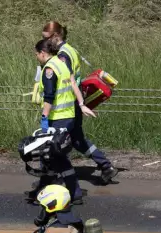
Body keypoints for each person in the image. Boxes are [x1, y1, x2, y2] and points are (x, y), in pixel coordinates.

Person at [42, 21, 119, 184]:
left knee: (53, 141)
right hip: (75, 102)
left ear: (55, 36)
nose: (45, 42)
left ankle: (51, 178)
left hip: (67, 105)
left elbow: (68, 80)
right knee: (77, 139)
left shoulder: (62, 55)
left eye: (46, 38)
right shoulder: (71, 49)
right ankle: (106, 166)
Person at [27, 39, 96, 205]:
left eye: (37, 54)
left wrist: (44, 118)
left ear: (43, 53)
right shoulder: (62, 62)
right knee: (50, 154)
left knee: (56, 156)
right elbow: (73, 83)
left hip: (58, 119)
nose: (36, 57)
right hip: (69, 115)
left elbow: (49, 96)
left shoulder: (50, 69)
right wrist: (81, 104)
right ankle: (44, 189)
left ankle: (74, 192)